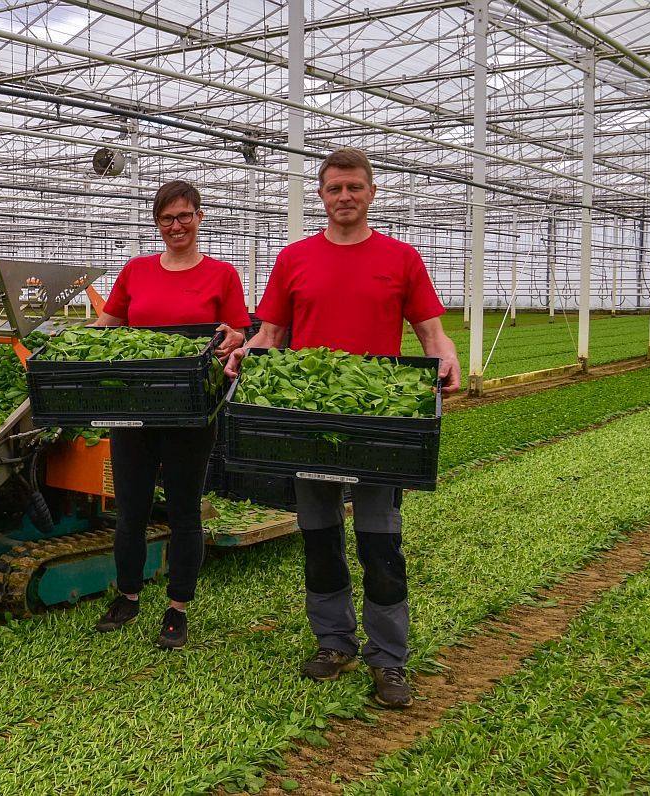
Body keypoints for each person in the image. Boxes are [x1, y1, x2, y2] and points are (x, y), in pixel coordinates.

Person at [224, 148, 460, 708]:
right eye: (334, 189)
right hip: (307, 417)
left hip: (375, 420)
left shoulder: (401, 258)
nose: (344, 197)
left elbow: (431, 333)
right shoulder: (294, 258)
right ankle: (334, 642)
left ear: (371, 192)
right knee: (320, 534)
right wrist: (243, 355)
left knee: (380, 539)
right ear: (322, 196)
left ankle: (388, 657)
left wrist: (448, 357)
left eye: (354, 187)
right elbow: (273, 335)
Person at [90, 179, 250, 649]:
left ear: (199, 217)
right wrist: (78, 343)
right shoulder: (136, 270)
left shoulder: (222, 274)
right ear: (157, 223)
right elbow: (111, 323)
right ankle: (128, 595)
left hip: (190, 408)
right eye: (167, 218)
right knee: (131, 510)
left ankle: (177, 607)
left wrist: (235, 338)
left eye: (184, 216)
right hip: (135, 405)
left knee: (183, 511)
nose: (176, 225)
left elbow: (238, 329)